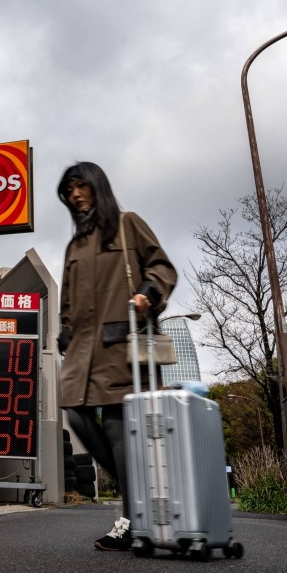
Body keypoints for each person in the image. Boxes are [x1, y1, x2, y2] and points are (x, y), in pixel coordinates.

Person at [56, 161, 177, 551]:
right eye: (69, 190)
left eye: (80, 187)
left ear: (97, 187)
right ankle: (137, 494)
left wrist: (148, 293)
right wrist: (64, 332)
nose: (75, 195)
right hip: (80, 351)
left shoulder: (127, 224)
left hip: (120, 342)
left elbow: (161, 266)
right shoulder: (74, 246)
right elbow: (67, 299)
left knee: (114, 424)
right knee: (74, 411)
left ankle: (131, 517)